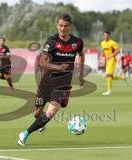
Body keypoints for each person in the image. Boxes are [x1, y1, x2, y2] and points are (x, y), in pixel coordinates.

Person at [17, 13, 85, 146]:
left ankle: (24, 133)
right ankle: (40, 123)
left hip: (63, 84)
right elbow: (42, 62)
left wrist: (81, 74)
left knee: (52, 110)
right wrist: (58, 67)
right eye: (60, 25)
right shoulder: (52, 41)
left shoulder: (77, 42)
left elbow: (81, 55)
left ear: (69, 27)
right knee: (37, 112)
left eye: (65, 26)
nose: (62, 28)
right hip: (48, 80)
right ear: (57, 26)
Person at [101, 31, 127, 96]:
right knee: (111, 76)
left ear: (109, 36)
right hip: (107, 60)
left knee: (108, 75)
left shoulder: (112, 43)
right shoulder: (102, 43)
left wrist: (111, 55)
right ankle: (122, 77)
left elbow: (118, 51)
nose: (105, 36)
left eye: (106, 35)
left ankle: (109, 91)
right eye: (104, 35)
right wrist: (102, 55)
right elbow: (103, 51)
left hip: (112, 60)